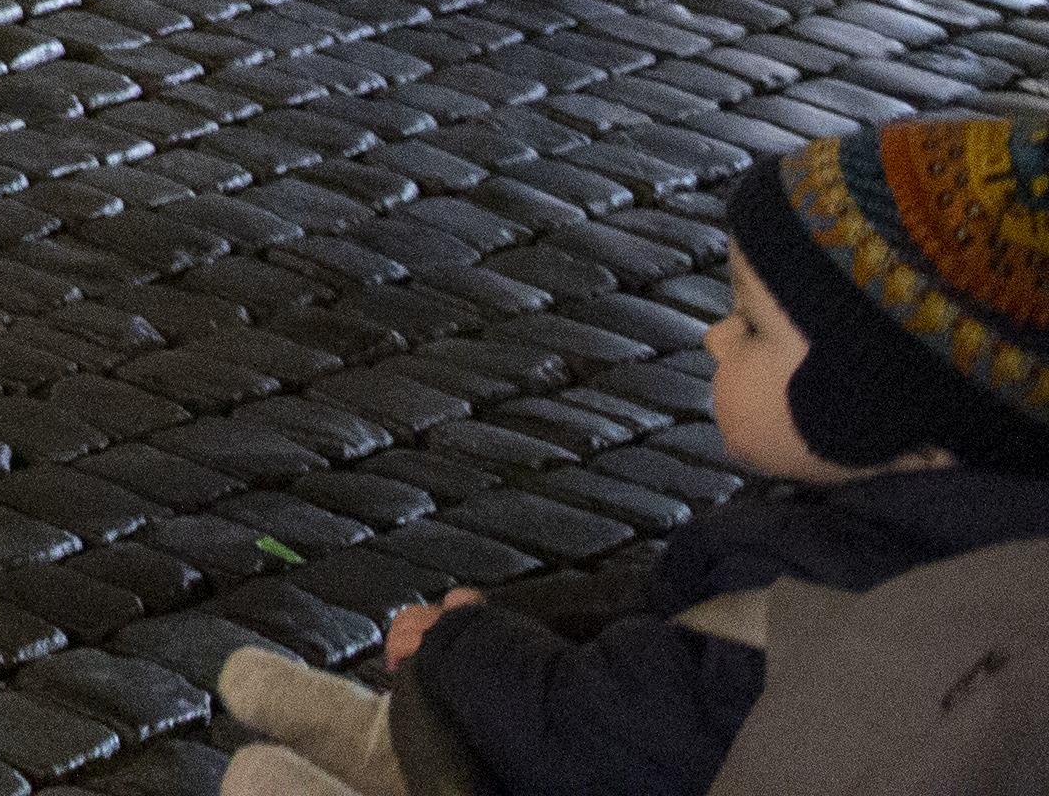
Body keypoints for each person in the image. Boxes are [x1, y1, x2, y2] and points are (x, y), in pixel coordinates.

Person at [205, 112, 1049, 796]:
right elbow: (674, 607)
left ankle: (387, 760)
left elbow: (605, 733)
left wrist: (464, 646)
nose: (717, 337)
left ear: (885, 411)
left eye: (753, 327)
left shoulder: (861, 615)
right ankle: (386, 746)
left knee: (258, 784)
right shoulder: (936, 538)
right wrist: (521, 620)